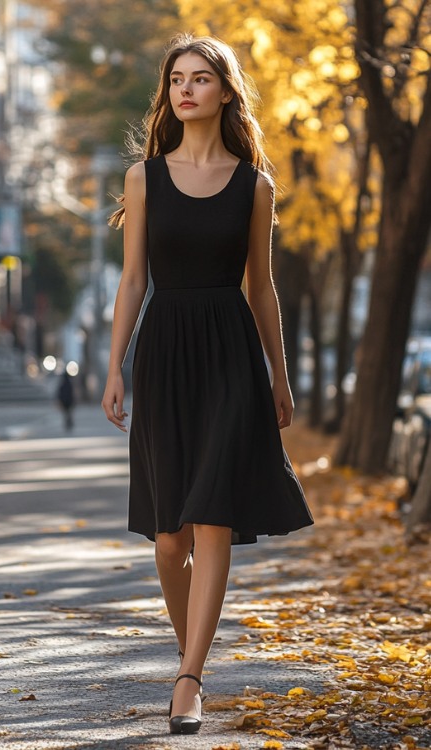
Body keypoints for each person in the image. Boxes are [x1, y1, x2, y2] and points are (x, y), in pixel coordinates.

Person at [102, 33, 314, 735]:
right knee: (170, 539)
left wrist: (279, 378)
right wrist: (114, 368)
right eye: (176, 80)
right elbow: (133, 279)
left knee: (214, 513)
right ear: (169, 94)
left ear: (225, 92)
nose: (186, 90)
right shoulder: (144, 178)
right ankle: (190, 652)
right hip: (164, 351)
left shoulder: (256, 186)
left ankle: (189, 678)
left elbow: (264, 287)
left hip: (230, 354)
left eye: (201, 78)